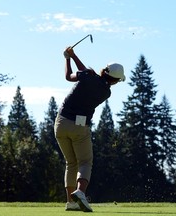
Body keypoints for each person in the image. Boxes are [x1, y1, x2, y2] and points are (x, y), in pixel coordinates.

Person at [54, 46, 125, 212]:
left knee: (70, 163)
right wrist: (74, 56)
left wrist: (68, 58)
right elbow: (89, 77)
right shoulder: (106, 92)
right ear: (115, 81)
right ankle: (80, 192)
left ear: (104, 70)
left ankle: (70, 202)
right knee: (85, 162)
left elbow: (68, 76)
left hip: (61, 123)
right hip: (79, 127)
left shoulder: (88, 75)